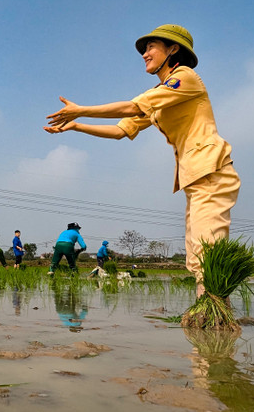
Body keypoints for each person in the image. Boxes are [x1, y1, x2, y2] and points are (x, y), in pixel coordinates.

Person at [45, 24, 239, 298]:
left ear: (173, 49)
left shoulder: (185, 78)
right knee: (196, 257)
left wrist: (82, 108)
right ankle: (208, 320)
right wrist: (77, 125)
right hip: (194, 177)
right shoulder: (163, 94)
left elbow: (133, 106)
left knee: (209, 252)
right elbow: (121, 130)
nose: (145, 54)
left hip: (212, 171)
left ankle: (215, 319)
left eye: (151, 47)